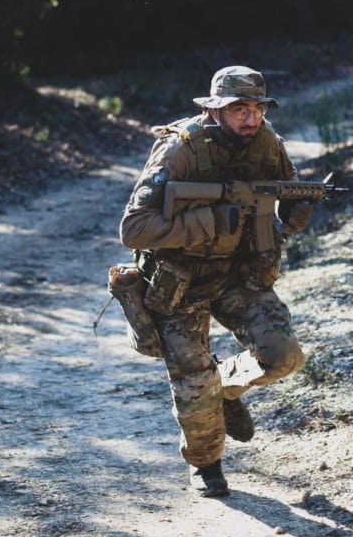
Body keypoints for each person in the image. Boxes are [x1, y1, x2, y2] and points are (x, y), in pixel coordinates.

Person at [119, 66, 313, 497]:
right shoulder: (180, 151)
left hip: (237, 275)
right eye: (239, 109)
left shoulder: (267, 143)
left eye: (257, 108)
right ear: (214, 110)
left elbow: (284, 195)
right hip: (180, 280)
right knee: (192, 380)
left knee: (284, 357)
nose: (251, 118)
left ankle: (224, 389)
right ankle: (206, 465)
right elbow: (133, 228)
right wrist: (205, 222)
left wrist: (294, 217)